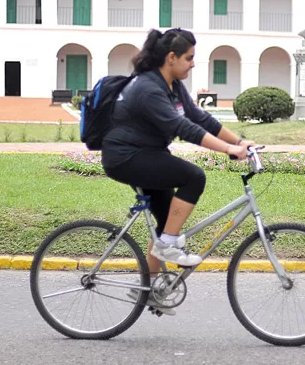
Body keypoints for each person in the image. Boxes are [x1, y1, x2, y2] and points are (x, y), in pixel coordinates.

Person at [101, 28, 255, 292]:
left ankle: (148, 289)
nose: (193, 64)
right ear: (171, 57)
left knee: (166, 222)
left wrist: (239, 142)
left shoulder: (171, 85)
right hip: (126, 157)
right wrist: (228, 149)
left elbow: (200, 118)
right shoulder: (149, 89)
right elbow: (185, 128)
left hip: (146, 153)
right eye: (189, 57)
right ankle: (168, 244)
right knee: (193, 177)